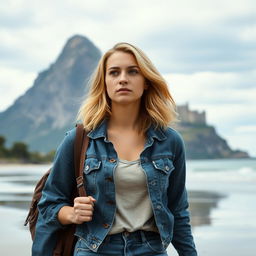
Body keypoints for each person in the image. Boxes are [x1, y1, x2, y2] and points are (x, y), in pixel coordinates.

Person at [32, 42, 197, 256]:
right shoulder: (79, 139)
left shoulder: (170, 141)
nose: (123, 79)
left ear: (146, 81)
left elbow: (178, 211)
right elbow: (48, 206)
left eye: (133, 71)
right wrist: (72, 213)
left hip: (151, 249)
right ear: (105, 83)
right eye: (114, 72)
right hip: (94, 249)